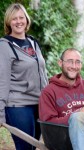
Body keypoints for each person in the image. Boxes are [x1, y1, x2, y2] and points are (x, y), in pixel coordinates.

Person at [0, 3, 48, 150]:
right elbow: (2, 81)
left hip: (39, 104)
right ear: (9, 22)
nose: (18, 21)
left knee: (33, 147)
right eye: (14, 18)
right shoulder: (4, 46)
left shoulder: (33, 42)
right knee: (25, 148)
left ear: (27, 20)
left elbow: (43, 74)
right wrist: (0, 112)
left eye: (21, 17)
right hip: (18, 105)